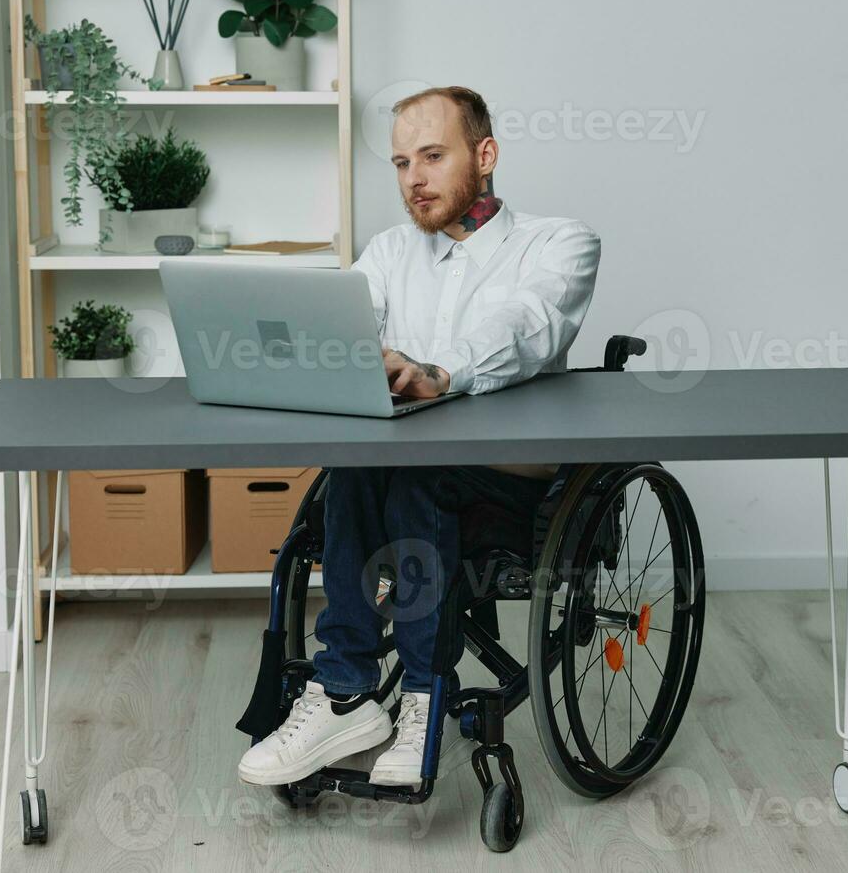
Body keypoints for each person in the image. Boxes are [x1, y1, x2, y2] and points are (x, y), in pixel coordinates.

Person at [237, 85, 601, 788]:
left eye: (432, 156)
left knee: (413, 479)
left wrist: (440, 370)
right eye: (402, 163)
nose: (414, 179)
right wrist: (324, 360)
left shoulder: (558, 243)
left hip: (512, 484)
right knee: (351, 473)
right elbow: (341, 325)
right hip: (397, 476)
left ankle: (422, 697)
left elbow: (529, 326)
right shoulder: (389, 252)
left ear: (485, 155)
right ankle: (344, 690)